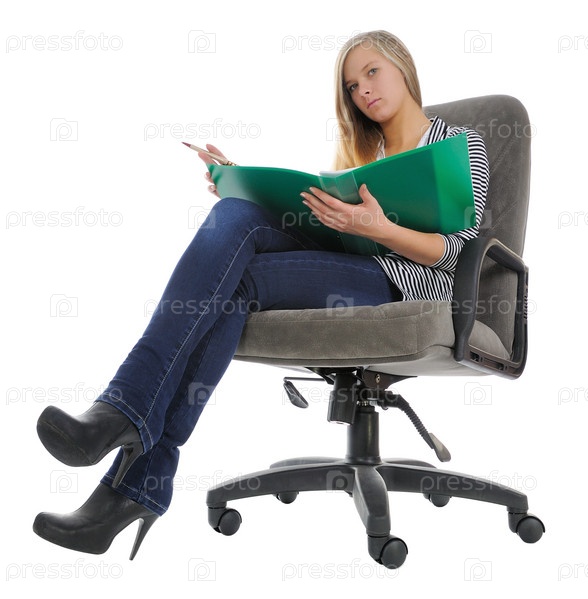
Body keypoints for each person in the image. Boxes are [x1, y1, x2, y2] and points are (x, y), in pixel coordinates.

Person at [33, 30, 489, 558]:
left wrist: (379, 227)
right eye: (351, 85)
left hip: (404, 284)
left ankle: (129, 440)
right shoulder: (363, 156)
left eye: (372, 72)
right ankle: (130, 456)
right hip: (348, 263)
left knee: (238, 282)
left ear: (403, 67)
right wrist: (242, 181)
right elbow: (328, 236)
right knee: (234, 213)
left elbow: (454, 254)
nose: (362, 90)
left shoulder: (459, 145)